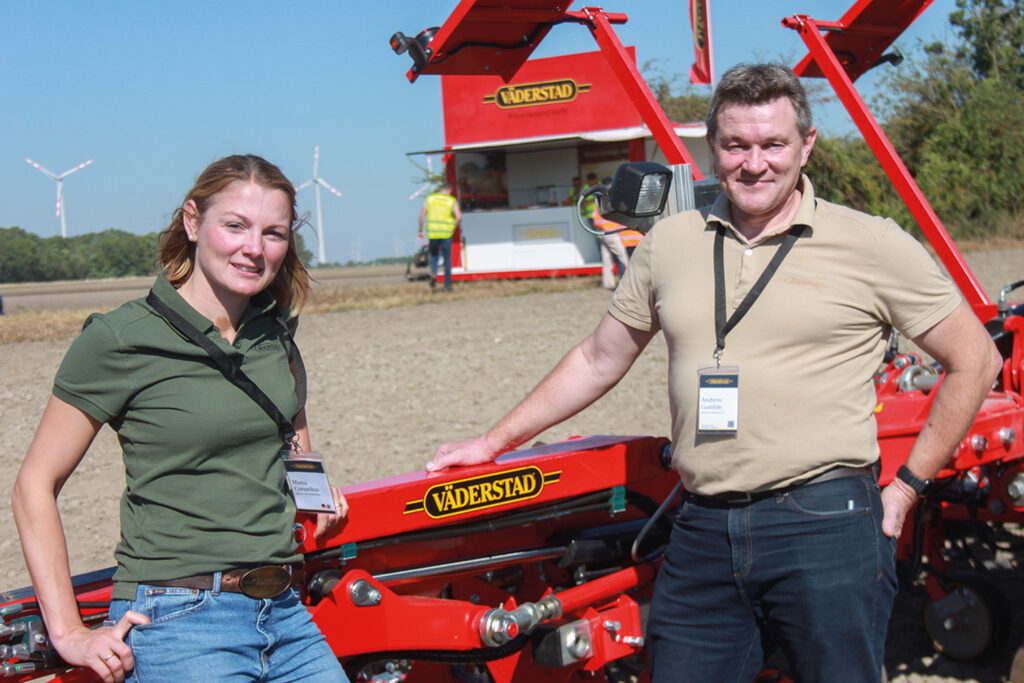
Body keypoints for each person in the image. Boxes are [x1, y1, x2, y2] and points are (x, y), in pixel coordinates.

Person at [427, 64, 1002, 682]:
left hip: (826, 523)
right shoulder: (670, 242)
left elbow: (976, 359)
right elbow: (599, 358)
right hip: (702, 527)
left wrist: (908, 487)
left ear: (806, 146)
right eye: (736, 145)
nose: (755, 163)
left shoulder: (870, 243)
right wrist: (493, 442)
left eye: (773, 144)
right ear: (715, 149)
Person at [12, 154, 350, 683]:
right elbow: (34, 483)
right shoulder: (122, 338)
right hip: (180, 619)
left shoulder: (274, 335)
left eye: (273, 233)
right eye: (234, 226)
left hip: (286, 613)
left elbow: (290, 437)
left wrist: (317, 489)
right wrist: (69, 631)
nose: (254, 249)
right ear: (192, 221)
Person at [417, 183, 462, 292]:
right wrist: (454, 228)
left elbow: (422, 216)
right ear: (450, 191)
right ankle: (447, 285)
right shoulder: (451, 200)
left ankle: (433, 274)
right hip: (446, 233)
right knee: (447, 259)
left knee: (434, 256)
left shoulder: (430, 198)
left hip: (433, 232)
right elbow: (459, 216)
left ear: (440, 189)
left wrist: (420, 230)